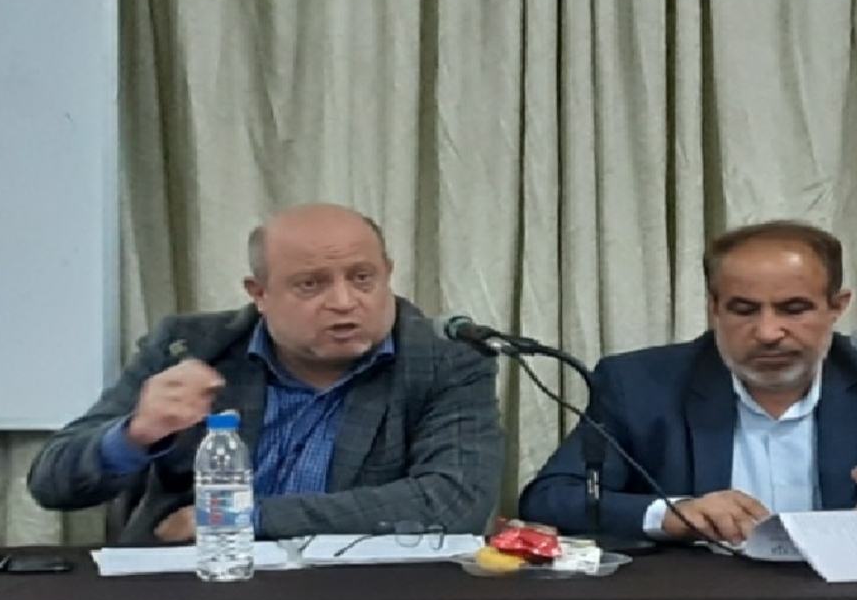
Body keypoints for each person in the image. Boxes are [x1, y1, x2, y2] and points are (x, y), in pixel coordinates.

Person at [519, 220, 857, 544]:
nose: (768, 332)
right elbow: (549, 500)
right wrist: (670, 513)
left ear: (837, 307)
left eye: (794, 309)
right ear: (714, 308)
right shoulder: (640, 383)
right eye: (743, 309)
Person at [29, 204, 505, 544]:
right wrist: (135, 435)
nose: (344, 302)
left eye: (362, 278)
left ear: (387, 274)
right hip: (191, 594)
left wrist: (239, 517)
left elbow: (455, 502)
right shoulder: (190, 348)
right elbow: (52, 484)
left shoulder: (446, 360)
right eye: (311, 284)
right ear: (259, 293)